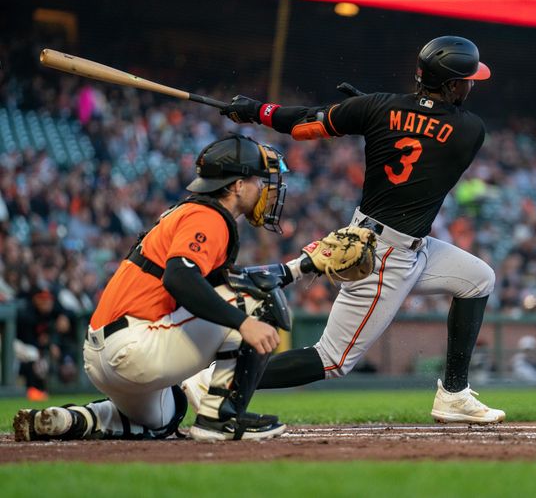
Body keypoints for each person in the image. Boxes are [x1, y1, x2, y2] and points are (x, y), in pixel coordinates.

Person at [220, 36, 505, 423]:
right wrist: (375, 109)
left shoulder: (378, 107)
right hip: (384, 253)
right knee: (332, 359)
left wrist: (255, 110)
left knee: (478, 279)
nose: (471, 85)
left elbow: (306, 122)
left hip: (403, 243)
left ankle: (453, 394)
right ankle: (218, 379)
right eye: (467, 80)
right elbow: (425, 127)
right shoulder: (470, 130)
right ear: (452, 84)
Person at [13, 133, 358, 442]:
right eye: (258, 180)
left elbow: (216, 284)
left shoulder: (192, 213)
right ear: (237, 185)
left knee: (166, 416)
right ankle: (219, 418)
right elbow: (180, 278)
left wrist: (301, 266)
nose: (264, 188)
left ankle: (76, 419)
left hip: (107, 354)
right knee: (258, 301)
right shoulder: (208, 217)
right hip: (134, 344)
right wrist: (243, 323)